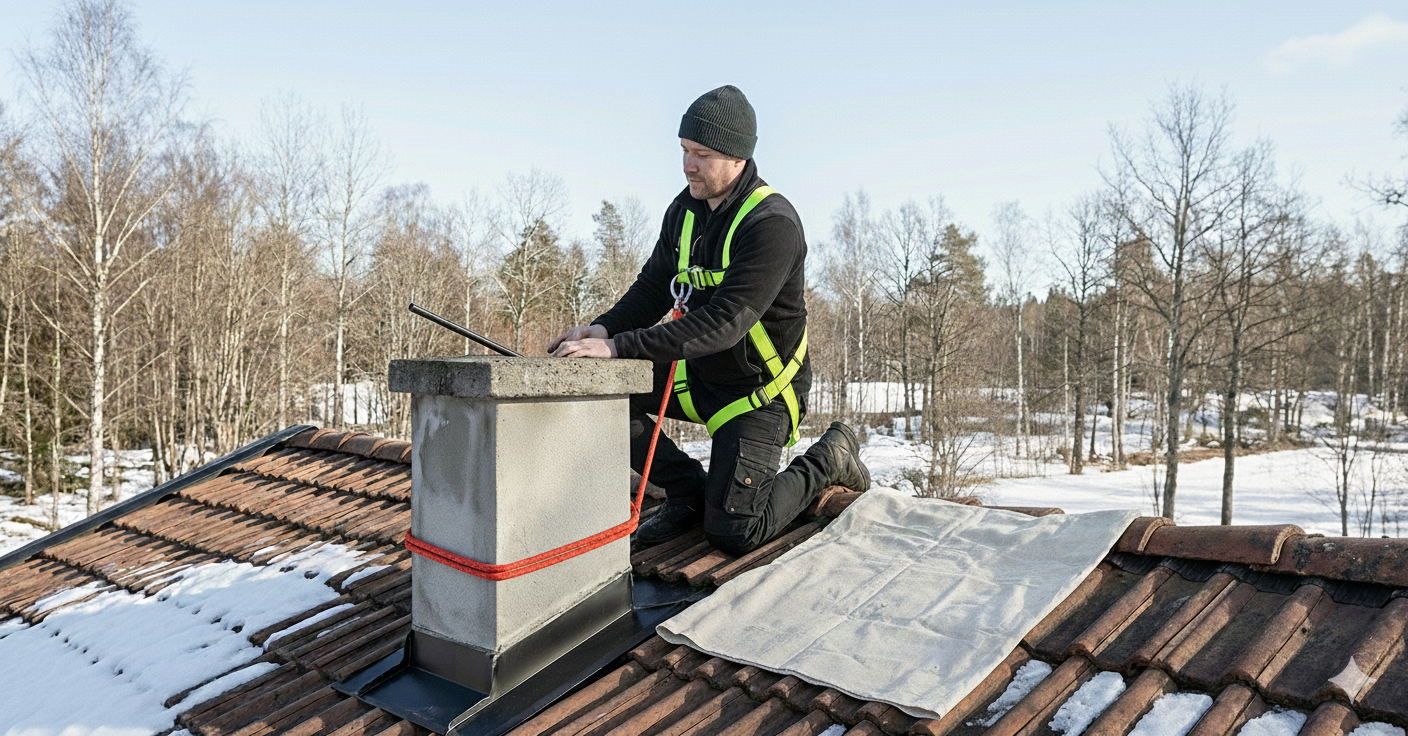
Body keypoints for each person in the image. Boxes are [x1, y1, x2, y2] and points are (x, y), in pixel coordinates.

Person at [549, 85, 869, 554]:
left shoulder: (772, 223)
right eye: (684, 151)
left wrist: (621, 348)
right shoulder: (684, 211)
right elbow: (654, 287)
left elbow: (726, 322)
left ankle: (830, 456)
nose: (688, 165)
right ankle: (687, 493)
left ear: (738, 158)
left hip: (758, 392)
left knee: (735, 533)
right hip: (695, 375)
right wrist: (603, 329)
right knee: (596, 392)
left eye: (701, 154)